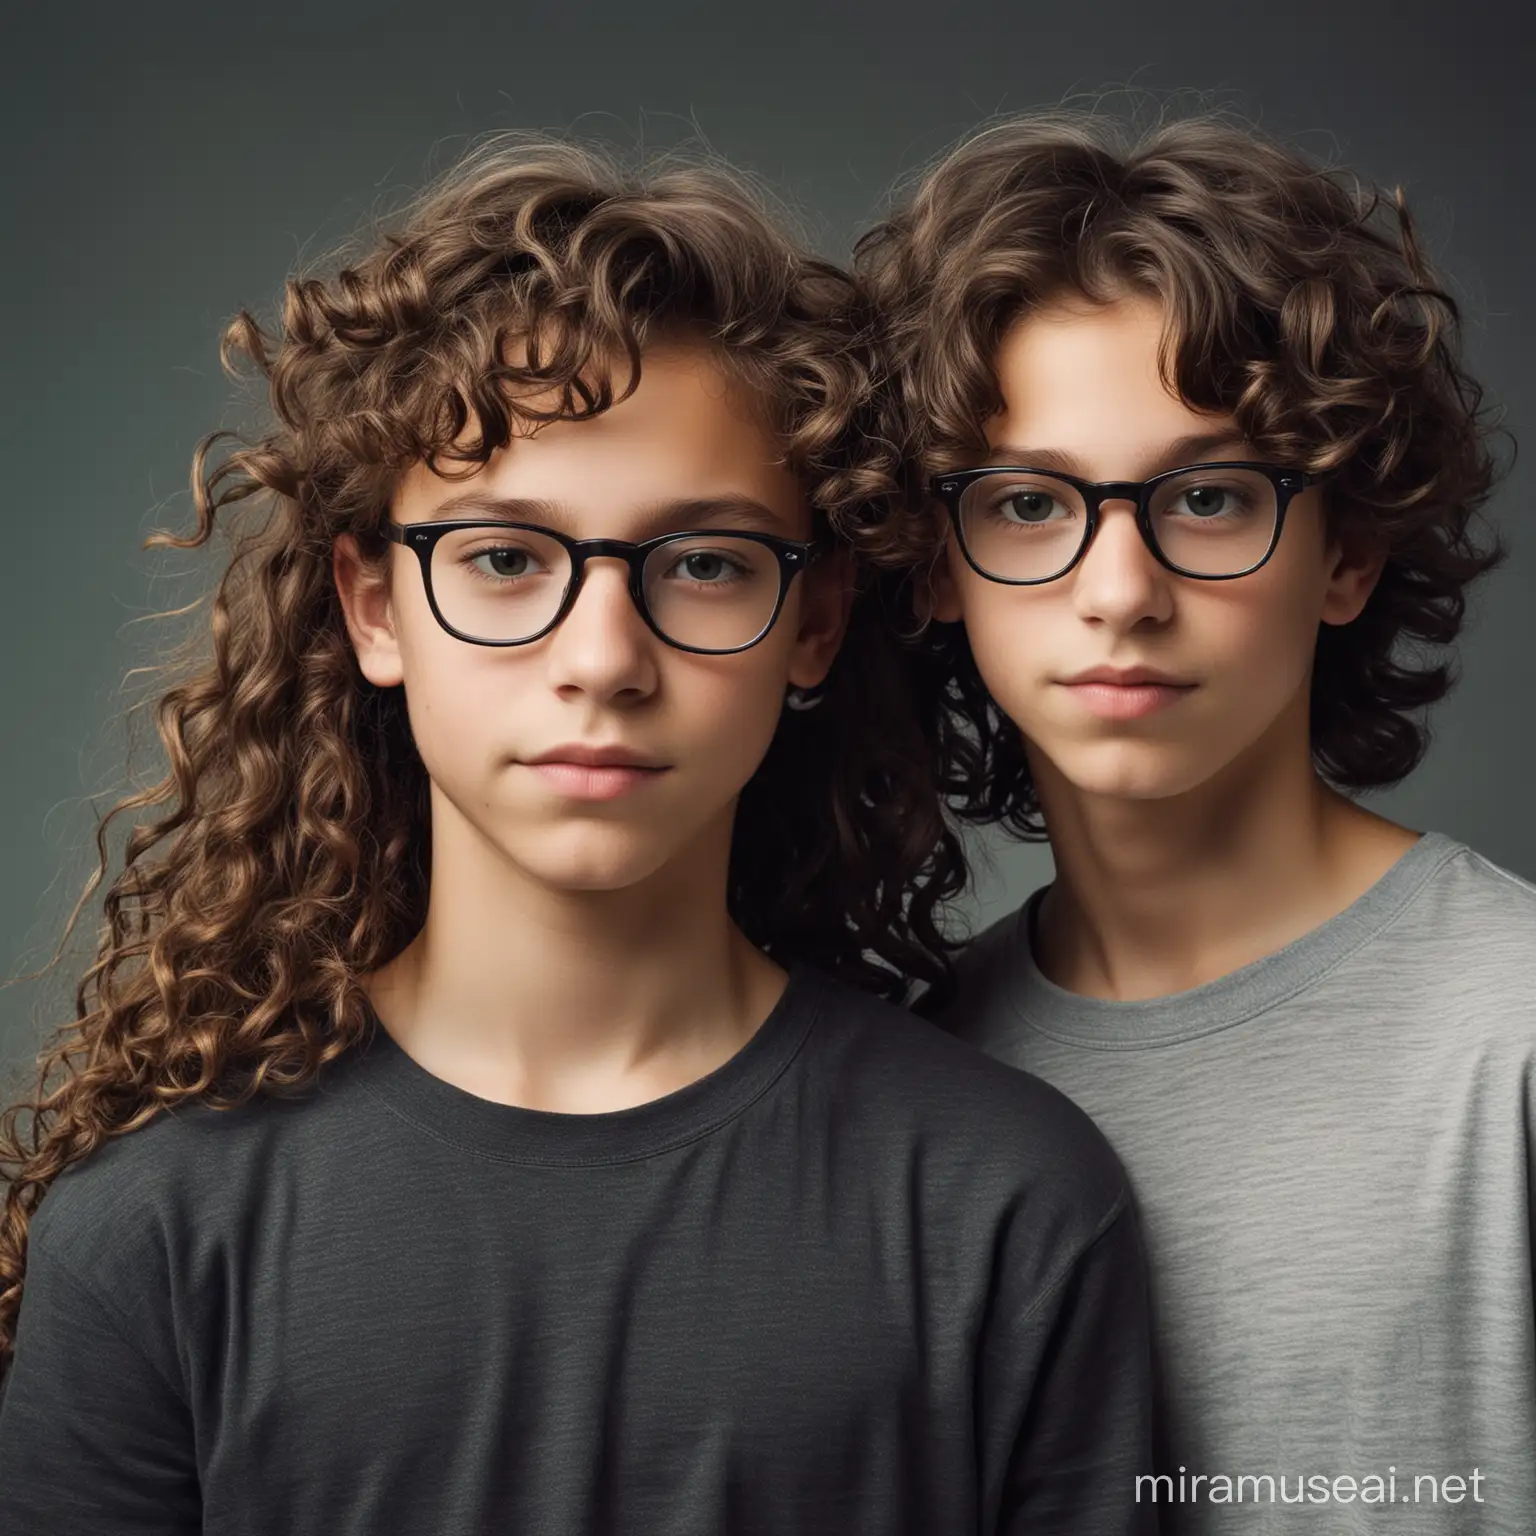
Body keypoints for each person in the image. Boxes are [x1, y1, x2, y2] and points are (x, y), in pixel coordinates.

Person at [0, 137, 1156, 1534]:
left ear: (815, 623)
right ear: (374, 608)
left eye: (707, 564)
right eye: (504, 559)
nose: (602, 657)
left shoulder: (1008, 1199)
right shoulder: (152, 1238)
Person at [856, 110, 1533, 1534]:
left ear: (1345, 551)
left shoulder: (1513, 1037)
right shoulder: (909, 1075)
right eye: (1032, 503)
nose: (1120, 589)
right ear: (932, 565)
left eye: (1210, 497)